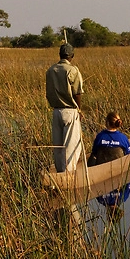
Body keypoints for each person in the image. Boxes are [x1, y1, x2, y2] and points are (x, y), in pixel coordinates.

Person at [46, 43, 84, 172]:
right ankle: (68, 176)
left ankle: (59, 171)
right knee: (70, 146)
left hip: (56, 111)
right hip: (70, 111)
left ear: (60, 55)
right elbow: (77, 92)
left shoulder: (51, 70)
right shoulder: (72, 70)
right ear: (72, 56)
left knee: (58, 146)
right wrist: (79, 109)